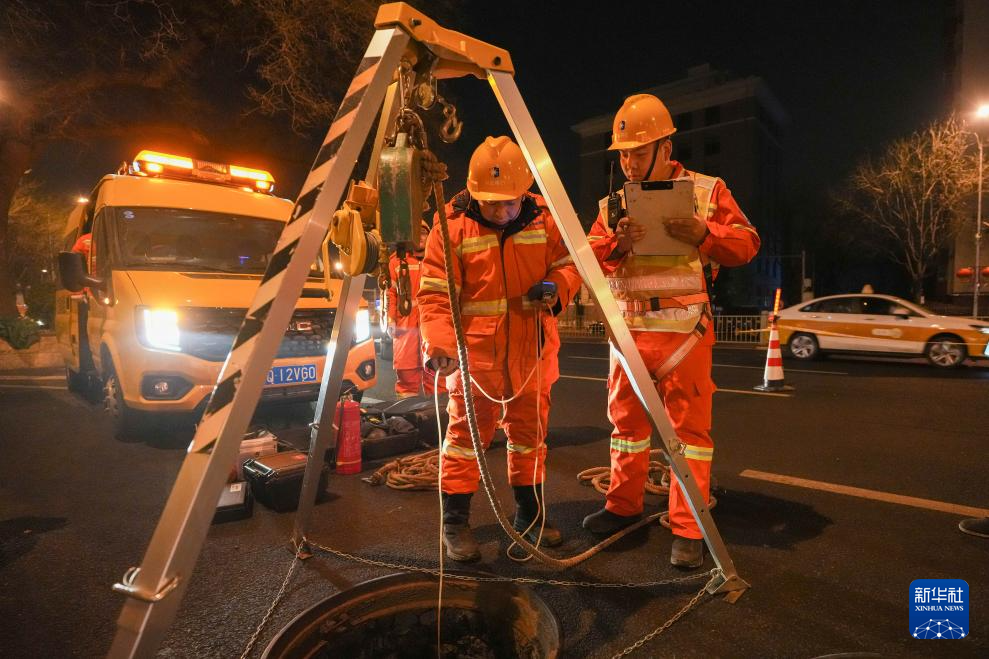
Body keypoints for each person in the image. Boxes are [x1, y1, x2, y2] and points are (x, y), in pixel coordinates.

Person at [582, 94, 760, 569]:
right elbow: (588, 261)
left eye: (637, 152)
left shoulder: (706, 191)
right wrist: (616, 245)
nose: (628, 163)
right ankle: (622, 505)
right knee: (627, 429)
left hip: (685, 335)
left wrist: (705, 235)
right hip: (629, 337)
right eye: (623, 154)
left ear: (665, 147)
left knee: (689, 435)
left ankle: (689, 527)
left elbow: (747, 244)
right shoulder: (612, 205)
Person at [417, 136, 581, 562]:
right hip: (475, 359)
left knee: (530, 439)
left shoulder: (546, 218)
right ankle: (455, 524)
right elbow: (434, 294)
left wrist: (557, 288)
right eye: (492, 204)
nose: (502, 212)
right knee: (464, 441)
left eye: (509, 203)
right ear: (474, 193)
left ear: (524, 191)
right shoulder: (450, 226)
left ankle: (530, 515)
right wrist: (439, 344)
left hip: (532, 355)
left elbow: (569, 265)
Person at [385, 220, 444, 398]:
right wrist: (390, 319)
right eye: (416, 233)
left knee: (437, 375)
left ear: (430, 235)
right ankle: (406, 413)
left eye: (423, 233)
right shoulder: (396, 261)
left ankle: (437, 412)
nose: (420, 237)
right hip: (406, 326)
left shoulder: (438, 258)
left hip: (433, 323)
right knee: (406, 375)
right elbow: (391, 294)